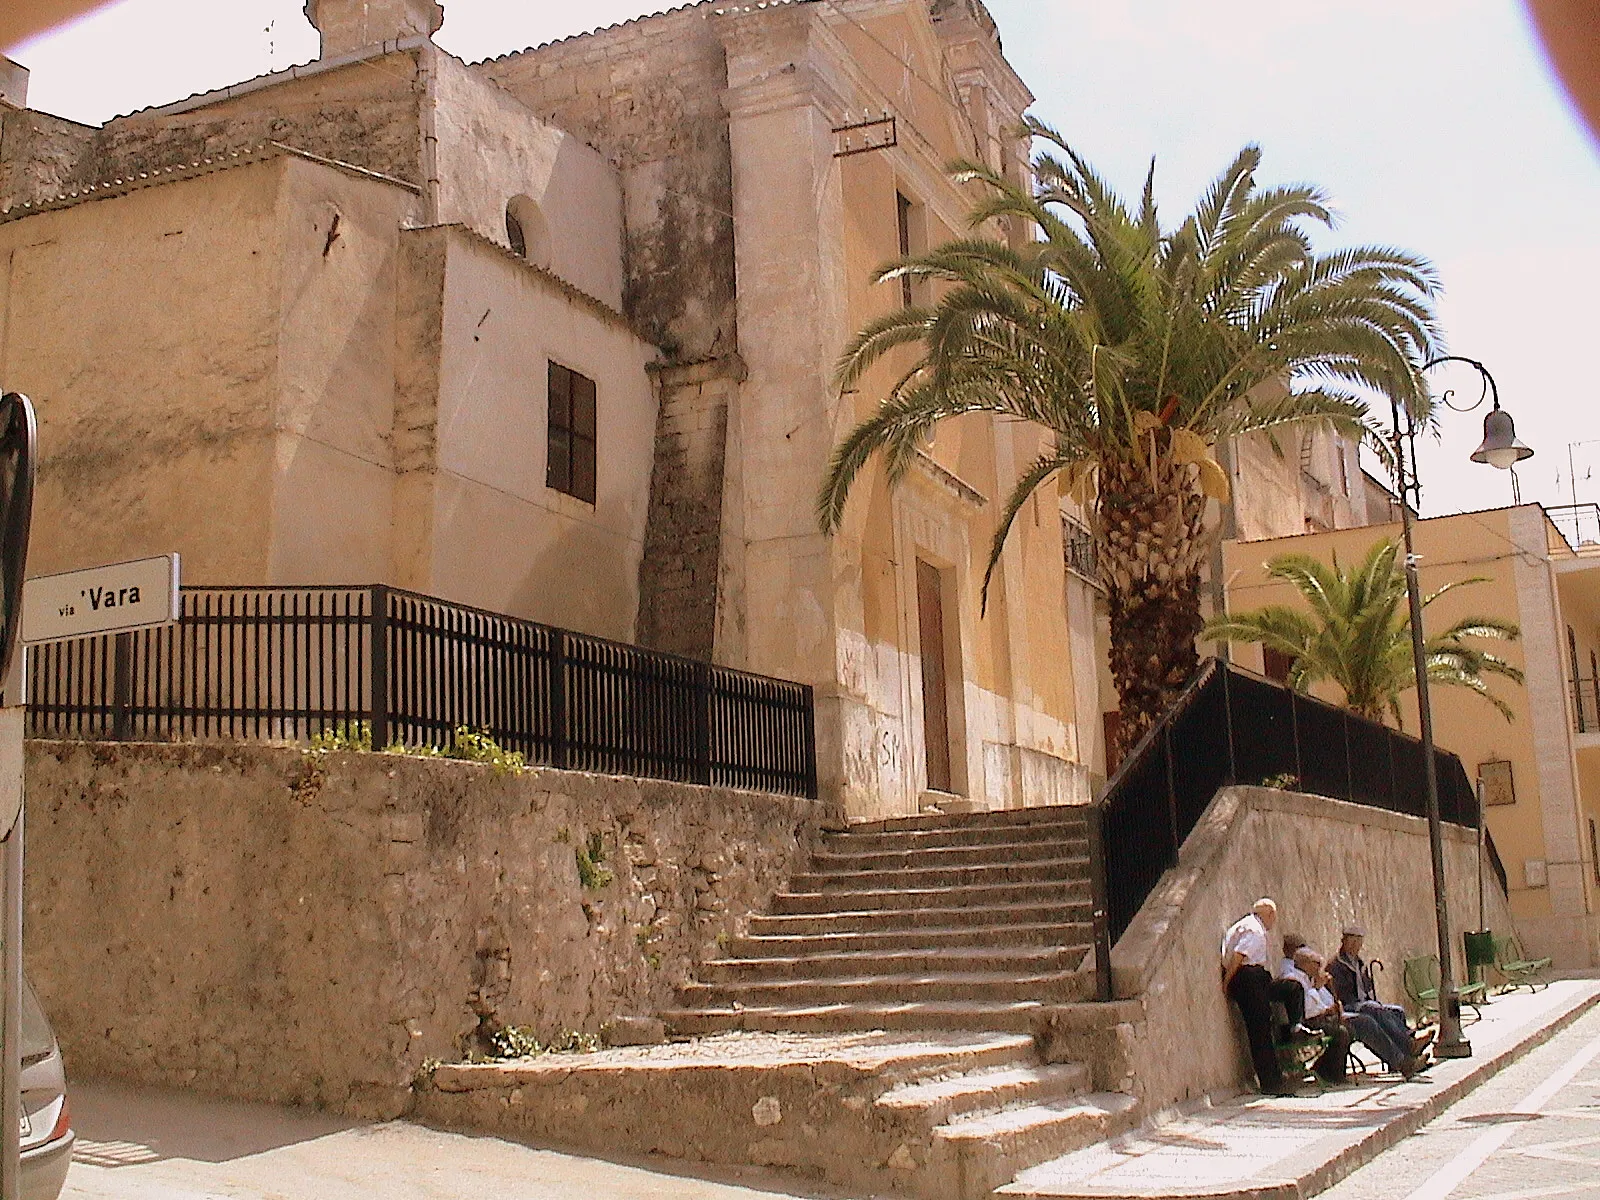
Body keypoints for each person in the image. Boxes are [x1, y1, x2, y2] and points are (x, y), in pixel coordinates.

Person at [1221, 898, 1308, 1096]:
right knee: (1259, 1029)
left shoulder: (1247, 925)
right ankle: (1271, 1081)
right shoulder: (1255, 930)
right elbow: (1238, 957)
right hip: (1248, 978)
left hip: (1255, 978)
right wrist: (1226, 983)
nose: (1273, 922)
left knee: (1291, 989)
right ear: (1269, 914)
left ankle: (1294, 1028)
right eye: (1273, 917)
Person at [1329, 924, 1436, 1059]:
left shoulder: (1359, 963)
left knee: (1397, 1011)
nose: (1355, 946)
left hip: (1364, 1003)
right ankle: (1408, 1046)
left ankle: (1409, 1053)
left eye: (1358, 942)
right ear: (1344, 942)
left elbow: (1367, 988)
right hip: (1349, 1005)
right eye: (1352, 941)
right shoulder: (1336, 965)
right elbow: (1340, 994)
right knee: (1372, 1008)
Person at [1281, 948, 1352, 1083]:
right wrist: (1317, 988)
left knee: (1348, 1028)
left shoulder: (1307, 979)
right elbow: (1306, 1008)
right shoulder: (1294, 979)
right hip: (1304, 1023)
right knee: (1340, 1033)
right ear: (1305, 963)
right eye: (1316, 963)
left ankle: (1325, 1069)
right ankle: (1333, 1074)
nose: (1320, 967)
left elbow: (1318, 1004)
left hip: (1315, 1018)